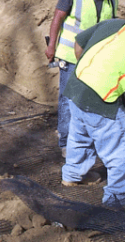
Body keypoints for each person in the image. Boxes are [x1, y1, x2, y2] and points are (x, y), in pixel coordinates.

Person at [45, 0, 122, 156]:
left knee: (91, 100)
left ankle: (86, 140)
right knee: (68, 99)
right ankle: (65, 142)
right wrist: (51, 47)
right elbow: (57, 19)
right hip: (70, 57)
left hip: (95, 60)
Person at [61, 17, 125, 209]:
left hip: (77, 85)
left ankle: (72, 175)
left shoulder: (114, 24)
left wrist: (93, 74)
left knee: (79, 135)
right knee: (119, 153)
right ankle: (116, 198)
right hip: (101, 98)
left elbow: (79, 44)